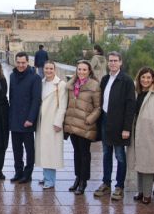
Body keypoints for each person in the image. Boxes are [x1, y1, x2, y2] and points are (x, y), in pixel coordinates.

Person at [94, 51, 135, 201]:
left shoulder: (127, 81)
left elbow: (131, 106)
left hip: (119, 124)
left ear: (120, 62)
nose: (112, 63)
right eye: (110, 61)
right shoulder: (105, 79)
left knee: (119, 156)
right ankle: (106, 183)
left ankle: (119, 186)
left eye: (115, 61)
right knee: (106, 154)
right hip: (105, 121)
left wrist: (126, 128)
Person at [127, 67, 154, 204]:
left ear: (153, 79)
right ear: (139, 78)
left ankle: (147, 194)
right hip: (135, 133)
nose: (145, 80)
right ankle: (140, 191)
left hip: (149, 134)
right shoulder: (135, 92)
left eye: (148, 78)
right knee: (139, 164)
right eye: (143, 77)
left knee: (148, 166)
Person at [63, 60, 101, 195]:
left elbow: (98, 107)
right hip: (73, 124)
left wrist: (89, 120)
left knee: (85, 154)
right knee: (76, 153)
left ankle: (84, 181)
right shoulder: (72, 84)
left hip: (85, 126)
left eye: (84, 70)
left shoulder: (94, 85)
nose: (81, 72)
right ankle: (77, 178)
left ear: (89, 71)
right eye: (79, 69)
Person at [9, 52, 42, 184]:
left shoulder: (35, 78)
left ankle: (27, 174)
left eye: (23, 62)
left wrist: (31, 119)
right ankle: (18, 172)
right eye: (19, 62)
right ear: (16, 62)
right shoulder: (12, 76)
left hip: (27, 120)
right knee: (16, 149)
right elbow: (11, 97)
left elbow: (36, 100)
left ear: (28, 62)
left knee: (29, 150)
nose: (21, 65)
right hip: (14, 118)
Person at [35, 61, 68, 189]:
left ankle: (50, 180)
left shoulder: (60, 84)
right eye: (46, 68)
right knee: (44, 151)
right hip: (42, 121)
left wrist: (58, 122)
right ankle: (46, 176)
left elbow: (63, 105)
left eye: (51, 69)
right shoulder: (42, 83)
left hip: (53, 122)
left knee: (51, 152)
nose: (48, 71)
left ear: (55, 69)